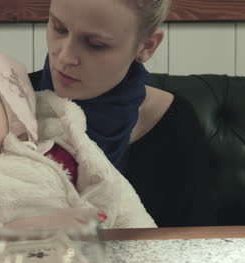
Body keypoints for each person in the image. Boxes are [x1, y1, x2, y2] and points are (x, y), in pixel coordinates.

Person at [0, 52, 156, 232]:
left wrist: (147, 248)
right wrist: (16, 231)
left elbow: (117, 197)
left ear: (13, 108)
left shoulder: (65, 146)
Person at [35, 0, 216, 227]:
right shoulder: (2, 99)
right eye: (58, 28)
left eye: (96, 44)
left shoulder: (174, 123)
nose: (64, 57)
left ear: (146, 46)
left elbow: (191, 247)